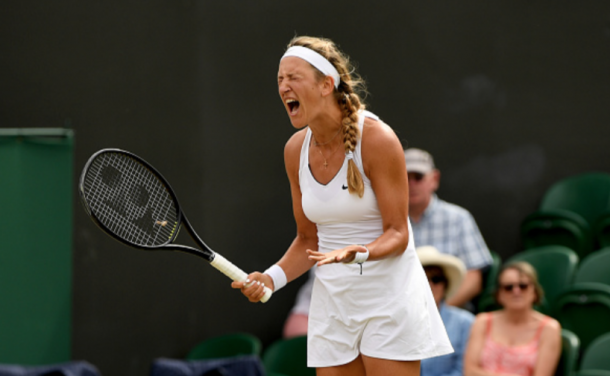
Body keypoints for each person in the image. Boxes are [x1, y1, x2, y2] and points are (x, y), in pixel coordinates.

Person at [231, 35, 453, 375]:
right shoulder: (294, 151)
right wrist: (271, 279)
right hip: (333, 304)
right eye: (280, 79)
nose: (284, 87)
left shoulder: (377, 139)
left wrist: (358, 252)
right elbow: (308, 239)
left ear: (326, 84)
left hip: (388, 302)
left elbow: (398, 233)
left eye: (294, 77)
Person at [405, 148, 492, 310]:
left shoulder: (458, 218)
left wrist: (438, 311)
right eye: (405, 177)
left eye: (418, 177)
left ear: (434, 179)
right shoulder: (385, 221)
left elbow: (473, 280)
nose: (411, 184)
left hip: (449, 314)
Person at [464, 262, 562, 376]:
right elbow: (470, 371)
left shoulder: (549, 328)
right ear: (499, 294)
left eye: (523, 286)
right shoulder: (482, 321)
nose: (516, 291)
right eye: (508, 287)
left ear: (534, 291)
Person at [418, 246, 475, 376]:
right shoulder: (397, 321)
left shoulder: (466, 322)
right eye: (423, 278)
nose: (430, 285)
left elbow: (464, 370)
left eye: (436, 279)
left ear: (445, 284)